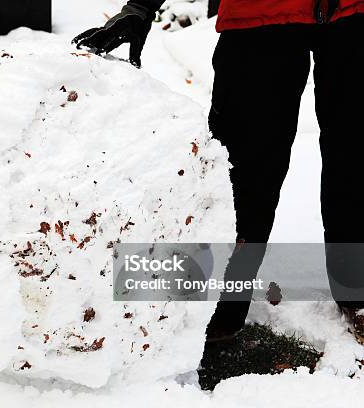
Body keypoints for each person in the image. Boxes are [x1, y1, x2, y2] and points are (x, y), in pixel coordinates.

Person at [73, 0, 364, 343]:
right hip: (260, 15)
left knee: (357, 163)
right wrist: (141, 6)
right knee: (243, 170)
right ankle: (218, 303)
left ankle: (358, 288)